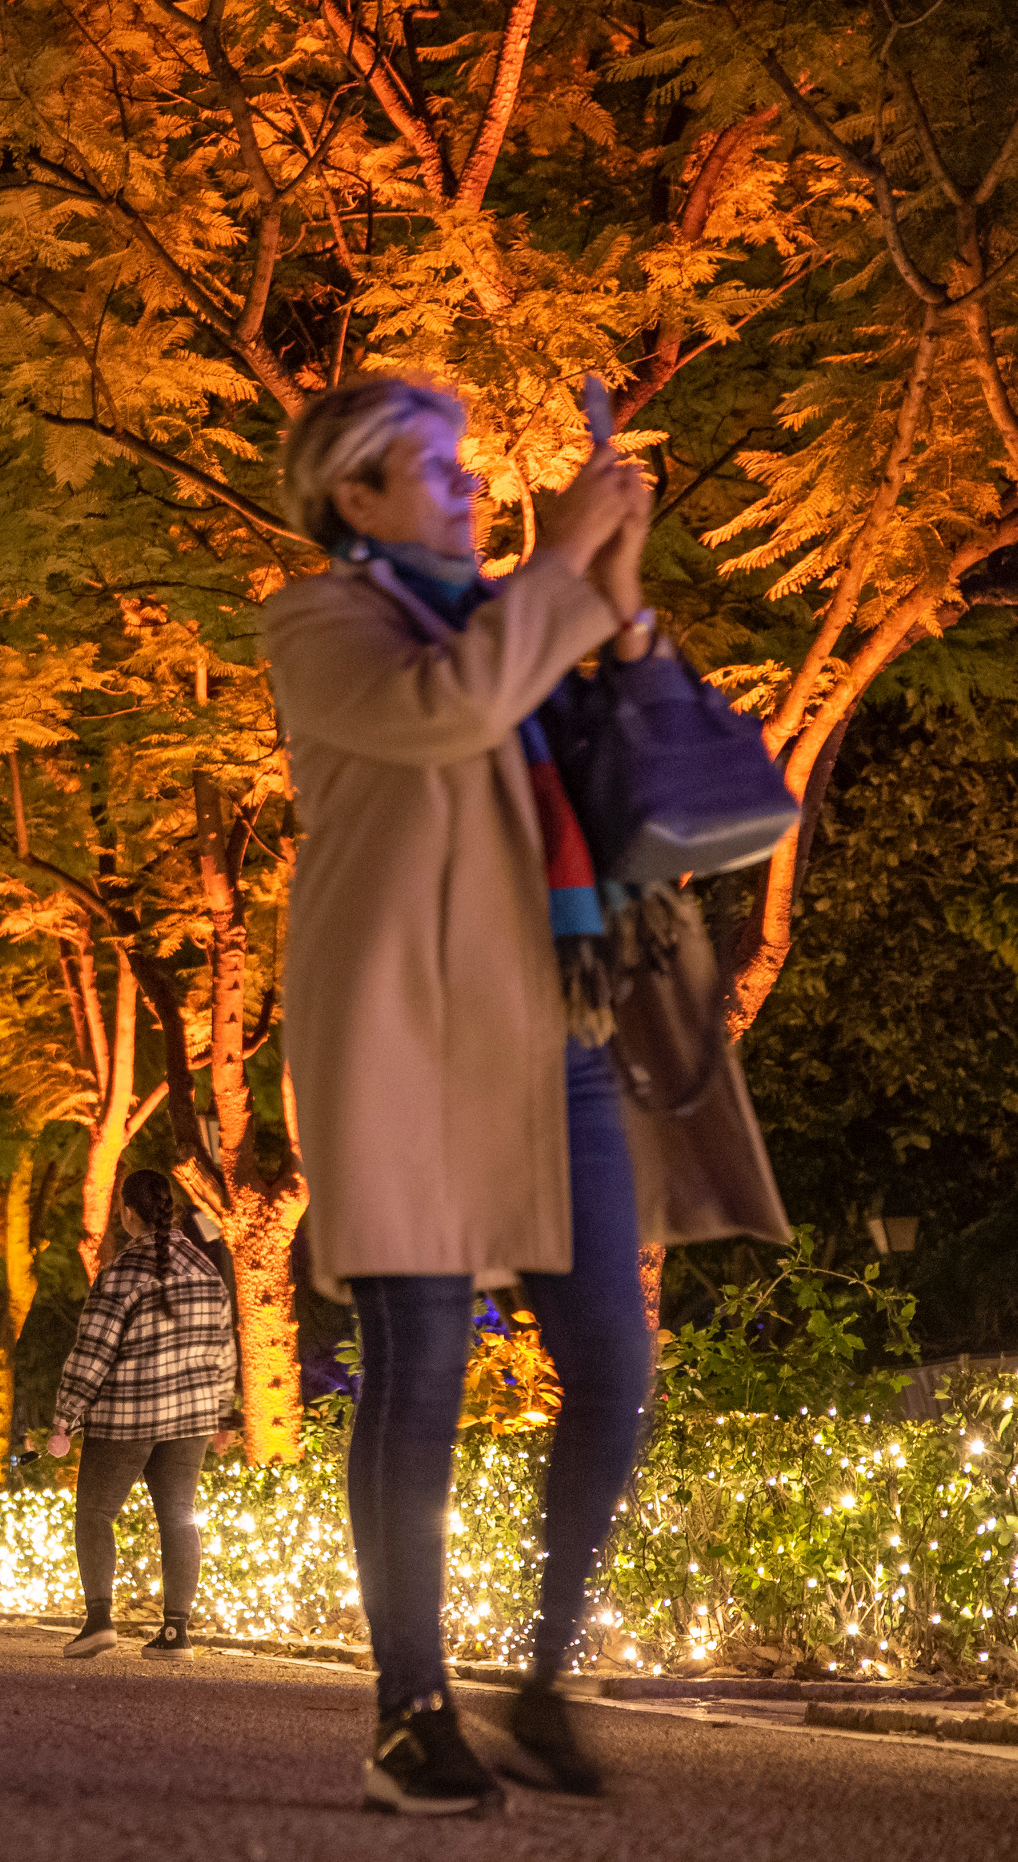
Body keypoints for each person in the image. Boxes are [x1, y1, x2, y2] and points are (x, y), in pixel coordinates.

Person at [262, 374, 783, 1813]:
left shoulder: (521, 609)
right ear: (349, 496)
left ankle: (541, 1681)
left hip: (559, 1027)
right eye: (427, 470)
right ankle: (406, 1708)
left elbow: (650, 745)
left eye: (464, 466)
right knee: (416, 1360)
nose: (467, 487)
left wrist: (613, 591)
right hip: (406, 1034)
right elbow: (450, 710)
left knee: (612, 1363)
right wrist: (557, 571)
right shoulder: (319, 622)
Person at [45, 1170, 240, 1664]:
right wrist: (221, 1413)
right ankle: (176, 1633)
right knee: (179, 1518)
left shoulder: (121, 1274)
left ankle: (98, 1622)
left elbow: (92, 1351)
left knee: (94, 1514)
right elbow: (224, 1348)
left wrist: (65, 1416)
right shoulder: (205, 1269)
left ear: (128, 1212)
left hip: (125, 1419)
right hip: (190, 1419)